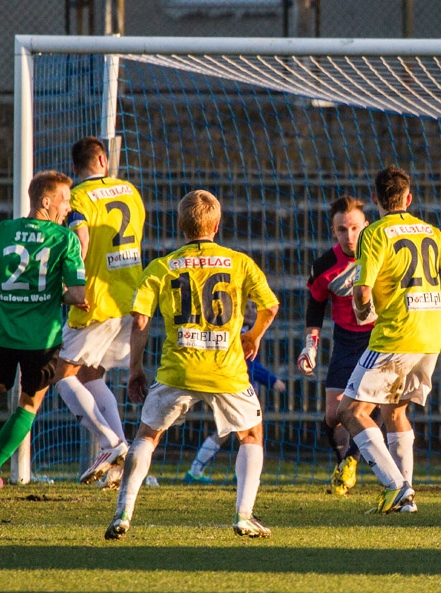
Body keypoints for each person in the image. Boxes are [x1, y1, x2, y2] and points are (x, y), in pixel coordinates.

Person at [105, 190, 279, 540]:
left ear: (181, 226)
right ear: (217, 223)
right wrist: (253, 336)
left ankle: (124, 511)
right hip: (226, 370)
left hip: (177, 368)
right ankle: (243, 514)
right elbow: (270, 307)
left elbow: (140, 320)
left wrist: (135, 369)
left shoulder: (161, 266)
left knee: (147, 436)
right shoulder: (239, 262)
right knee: (251, 435)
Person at [297, 194, 441, 496]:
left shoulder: (378, 243)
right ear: (333, 231)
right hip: (347, 340)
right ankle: (356, 467)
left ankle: (378, 475)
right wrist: (310, 345)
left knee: (370, 408)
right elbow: (315, 305)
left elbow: (425, 254)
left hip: (383, 336)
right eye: (341, 230)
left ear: (367, 224)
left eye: (355, 228)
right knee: (333, 414)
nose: (350, 236)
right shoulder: (325, 266)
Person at [336, 165, 441, 514]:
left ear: (374, 199)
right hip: (431, 334)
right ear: (408, 198)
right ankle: (407, 502)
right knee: (395, 410)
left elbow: (361, 290)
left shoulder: (374, 234)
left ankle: (397, 487)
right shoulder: (431, 231)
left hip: (397, 334)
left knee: (350, 410)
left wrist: (364, 314)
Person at [0, 171, 87, 488]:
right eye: (64, 200)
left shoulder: (0, 231)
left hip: (0, 333)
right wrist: (58, 294)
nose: (68, 207)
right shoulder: (65, 239)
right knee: (28, 404)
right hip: (42, 340)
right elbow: (78, 295)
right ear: (45, 201)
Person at [54, 136, 146, 486]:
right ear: (103, 160)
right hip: (131, 296)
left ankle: (109, 443)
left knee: (62, 374)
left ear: (75, 169)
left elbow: (81, 241)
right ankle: (119, 460)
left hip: (95, 300)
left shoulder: (77, 197)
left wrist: (71, 287)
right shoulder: (129, 191)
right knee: (92, 375)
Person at [184, 302, 286, 484]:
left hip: (242, 388)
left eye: (254, 308)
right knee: (245, 433)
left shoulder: (248, 329)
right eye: (247, 307)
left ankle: (204, 471)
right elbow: (247, 362)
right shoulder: (235, 330)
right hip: (234, 388)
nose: (251, 311)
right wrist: (271, 380)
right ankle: (199, 471)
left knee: (235, 433)